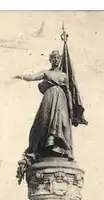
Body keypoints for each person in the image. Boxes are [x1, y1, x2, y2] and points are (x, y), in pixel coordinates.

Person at [14, 50, 74, 179]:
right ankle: (48, 145)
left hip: (61, 101)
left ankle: (59, 147)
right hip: (50, 97)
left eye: (58, 58)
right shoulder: (47, 73)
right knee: (45, 123)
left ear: (60, 60)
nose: (56, 60)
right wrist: (22, 76)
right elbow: (33, 76)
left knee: (61, 123)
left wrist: (71, 109)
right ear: (51, 60)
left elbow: (69, 92)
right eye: (53, 58)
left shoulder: (64, 75)